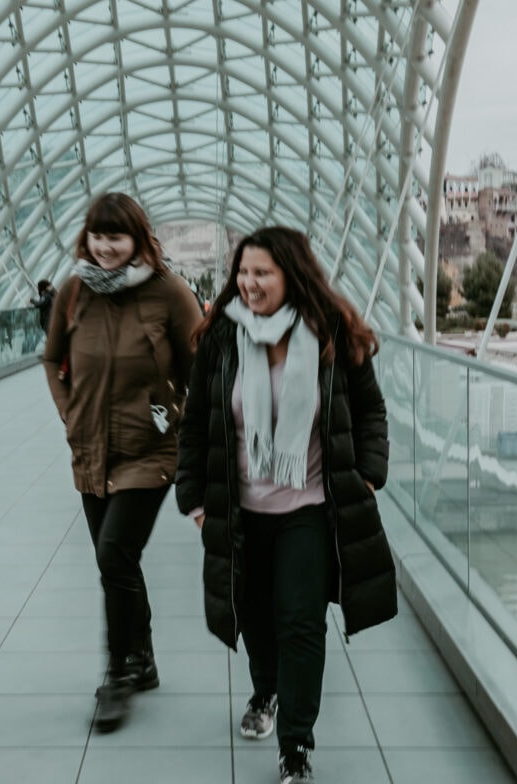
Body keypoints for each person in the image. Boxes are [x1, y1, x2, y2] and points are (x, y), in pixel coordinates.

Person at [175, 226, 397, 784]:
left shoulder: (331, 335)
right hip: (240, 507)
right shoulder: (220, 339)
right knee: (254, 616)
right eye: (242, 273)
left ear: (291, 276)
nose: (248, 284)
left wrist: (369, 476)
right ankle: (265, 690)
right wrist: (195, 503)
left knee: (300, 622)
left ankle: (296, 745)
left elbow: (370, 410)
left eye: (261, 273)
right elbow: (196, 422)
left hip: (309, 508)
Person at [42, 192, 202, 733]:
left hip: (149, 450)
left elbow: (202, 368)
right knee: (119, 563)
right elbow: (52, 359)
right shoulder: (73, 292)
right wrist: (69, 415)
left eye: (117, 236)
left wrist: (177, 424)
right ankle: (145, 657)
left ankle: (116, 674)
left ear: (138, 239)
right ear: (86, 239)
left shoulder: (170, 294)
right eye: (98, 235)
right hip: (91, 449)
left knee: (114, 553)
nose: (106, 247)